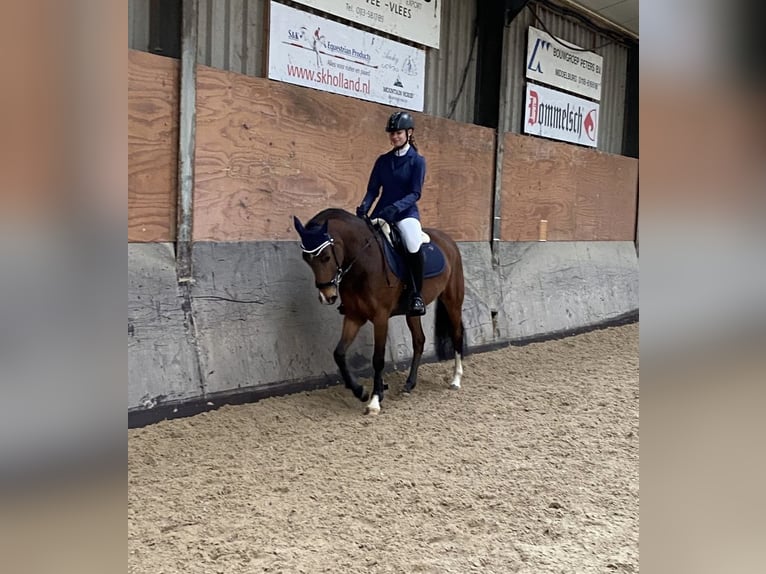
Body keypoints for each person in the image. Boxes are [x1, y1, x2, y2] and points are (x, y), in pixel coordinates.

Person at [356, 111, 426, 316]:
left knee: (413, 243)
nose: (395, 137)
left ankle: (416, 295)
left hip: (405, 213)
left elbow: (415, 193)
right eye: (392, 133)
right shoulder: (382, 161)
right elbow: (372, 190)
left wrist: (397, 208)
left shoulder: (417, 161)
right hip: (381, 212)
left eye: (399, 133)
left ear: (409, 133)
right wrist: (364, 208)